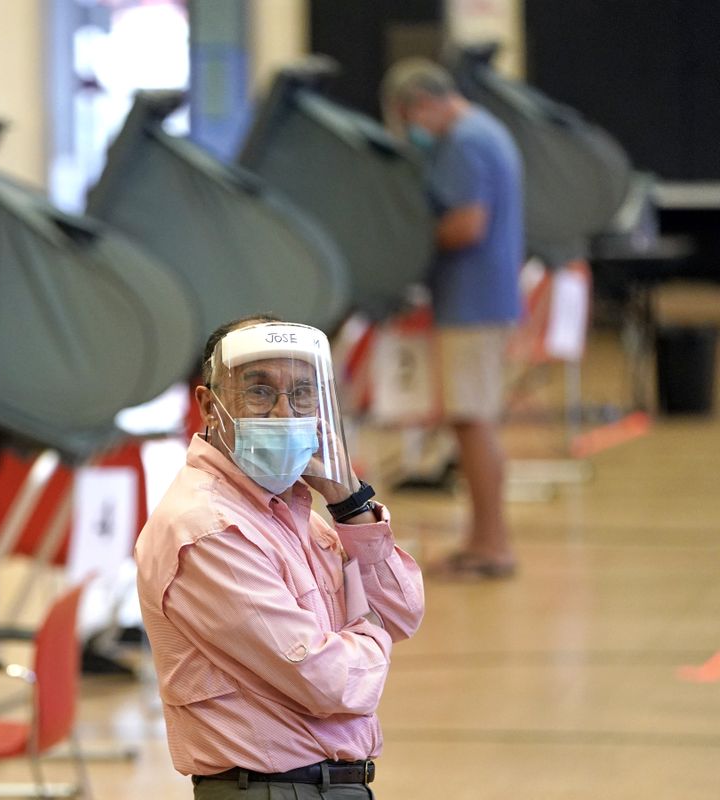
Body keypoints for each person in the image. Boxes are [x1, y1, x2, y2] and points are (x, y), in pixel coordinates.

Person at [135, 316, 424, 799]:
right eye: (260, 392)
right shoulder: (207, 528)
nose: (284, 413)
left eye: (303, 394)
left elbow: (403, 611)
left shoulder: (295, 509)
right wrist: (368, 629)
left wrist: (350, 502)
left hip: (329, 787)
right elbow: (334, 684)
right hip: (271, 791)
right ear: (210, 406)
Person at [381, 58, 524, 579]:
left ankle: (492, 547)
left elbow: (466, 225)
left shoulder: (464, 141)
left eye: (408, 119)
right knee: (472, 420)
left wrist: (404, 248)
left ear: (423, 103)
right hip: (482, 300)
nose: (415, 133)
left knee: (472, 420)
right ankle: (483, 541)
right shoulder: (486, 131)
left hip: (474, 303)